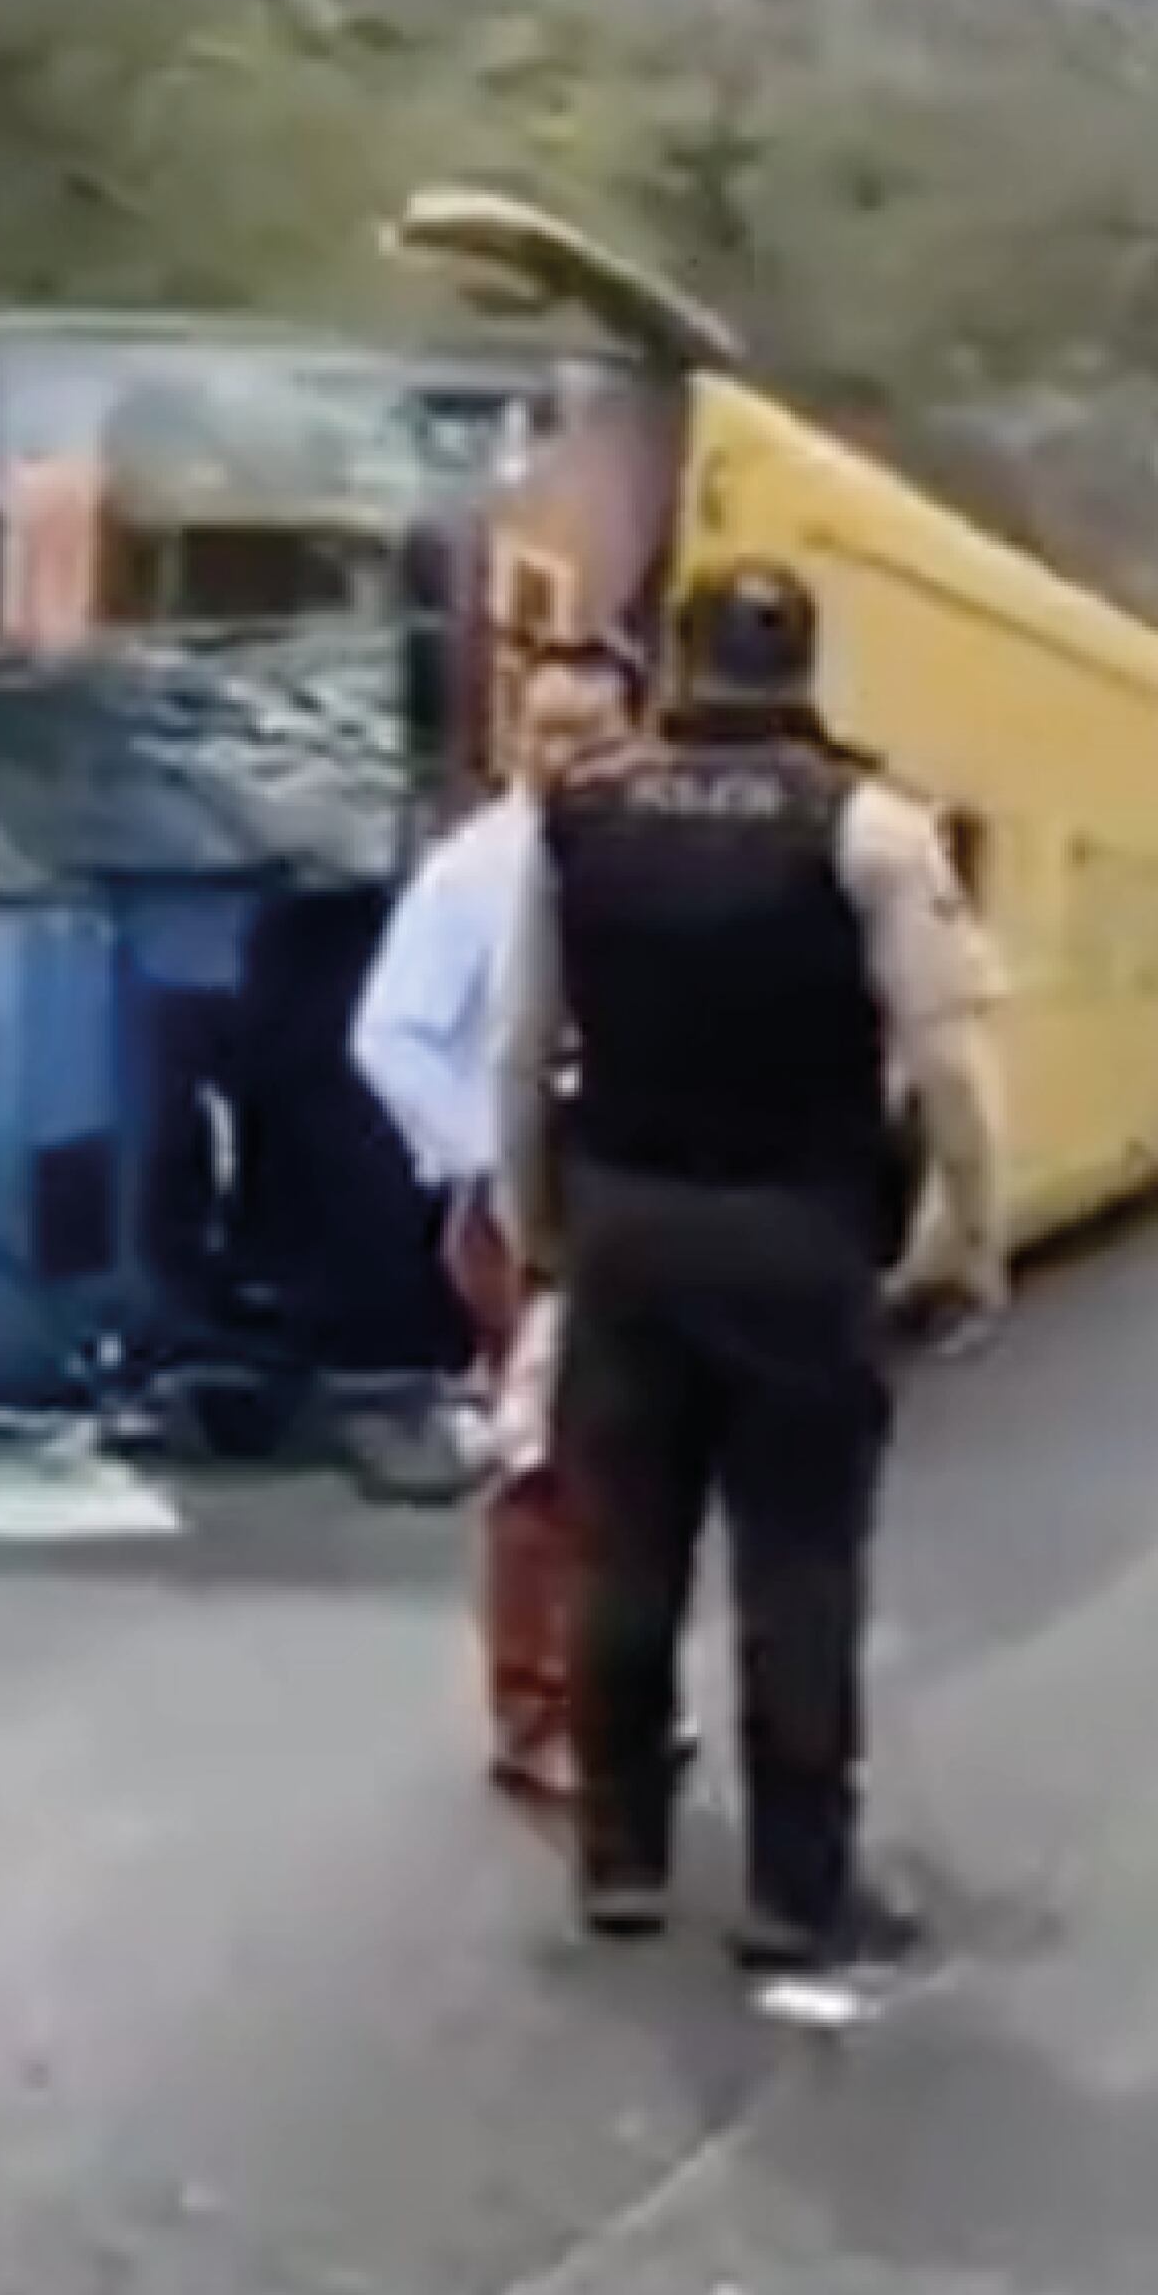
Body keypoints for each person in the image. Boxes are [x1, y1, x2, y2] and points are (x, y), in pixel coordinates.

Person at [493, 561, 1009, 1980]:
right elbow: (950, 1063)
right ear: (805, 669)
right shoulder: (871, 829)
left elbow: (524, 1048)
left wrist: (539, 1216)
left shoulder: (577, 821)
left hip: (630, 1227)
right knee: (797, 1561)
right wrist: (971, 1231)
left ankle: (620, 1860)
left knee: (625, 1549)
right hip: (799, 1231)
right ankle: (794, 1890)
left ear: (679, 664)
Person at [350, 642, 648, 1809]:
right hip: (523, 1220)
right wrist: (494, 1154)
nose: (567, 753)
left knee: (620, 1467)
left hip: (619, 1204)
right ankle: (535, 1713)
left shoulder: (628, 859)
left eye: (592, 731)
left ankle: (604, 1694)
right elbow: (388, 1036)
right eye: (546, 731)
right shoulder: (476, 874)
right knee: (543, 1469)